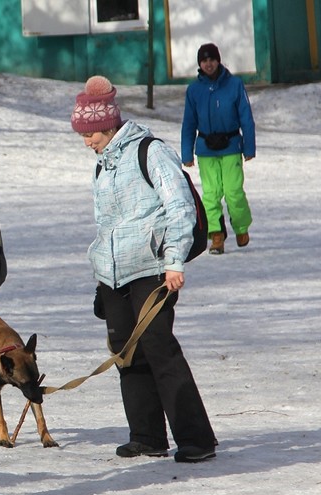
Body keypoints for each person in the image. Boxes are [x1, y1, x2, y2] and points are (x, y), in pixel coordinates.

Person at [71, 75, 217, 463]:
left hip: (152, 268)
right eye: (83, 135)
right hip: (113, 274)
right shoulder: (102, 167)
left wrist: (174, 261)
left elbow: (180, 206)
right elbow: (107, 226)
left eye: (91, 134)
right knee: (125, 351)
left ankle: (196, 439)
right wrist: (102, 274)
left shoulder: (150, 152)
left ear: (107, 124)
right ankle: (147, 435)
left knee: (158, 347)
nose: (87, 142)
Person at [182, 43, 256, 255]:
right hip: (206, 149)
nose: (208, 64)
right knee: (211, 194)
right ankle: (216, 234)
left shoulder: (234, 85)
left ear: (218, 60)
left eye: (212, 60)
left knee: (233, 192)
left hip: (231, 146)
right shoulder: (194, 90)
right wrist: (187, 153)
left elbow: (246, 118)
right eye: (204, 61)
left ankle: (241, 227)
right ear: (199, 64)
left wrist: (249, 146)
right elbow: (189, 123)